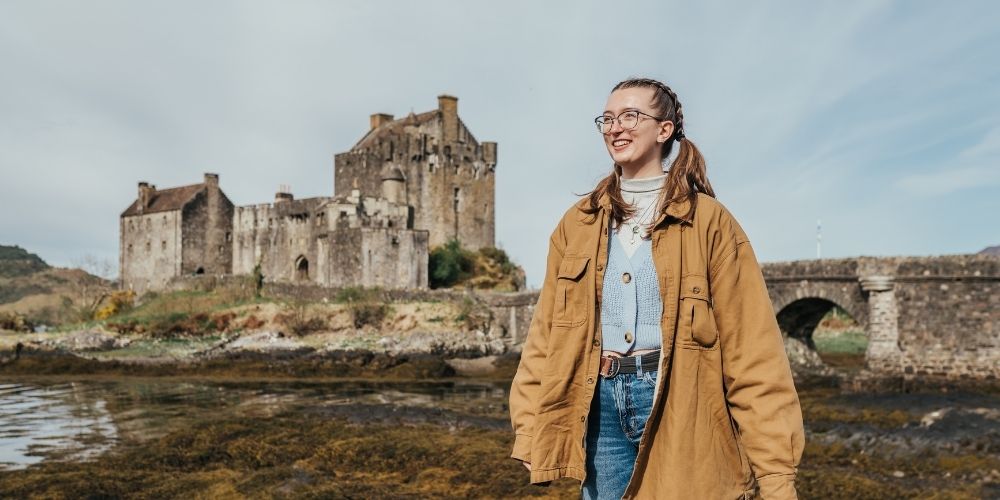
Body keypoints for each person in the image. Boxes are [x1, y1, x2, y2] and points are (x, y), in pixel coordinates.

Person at [508, 77, 804, 499]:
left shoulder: (709, 222)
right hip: (598, 408)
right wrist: (529, 423)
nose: (615, 127)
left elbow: (753, 351)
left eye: (630, 116)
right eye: (607, 118)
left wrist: (776, 475)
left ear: (664, 130)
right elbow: (546, 335)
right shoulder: (577, 223)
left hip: (680, 404)